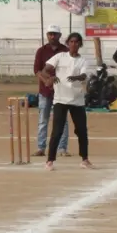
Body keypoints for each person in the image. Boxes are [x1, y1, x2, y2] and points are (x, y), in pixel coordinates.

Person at [41, 32, 93, 171]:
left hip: (77, 100)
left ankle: (85, 159)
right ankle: (50, 161)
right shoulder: (60, 56)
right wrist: (50, 78)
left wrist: (76, 77)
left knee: (81, 130)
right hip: (60, 99)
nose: (74, 44)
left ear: (80, 44)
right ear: (68, 43)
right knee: (57, 130)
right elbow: (45, 70)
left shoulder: (83, 61)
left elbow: (84, 75)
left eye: (76, 42)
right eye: (71, 41)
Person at [32, 25, 69, 158]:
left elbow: (68, 70)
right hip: (45, 91)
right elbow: (37, 70)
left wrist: (58, 82)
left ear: (59, 35)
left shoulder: (65, 51)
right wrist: (46, 81)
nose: (52, 36)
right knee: (43, 119)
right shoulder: (41, 51)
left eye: (55, 34)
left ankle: (62, 148)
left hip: (61, 91)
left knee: (62, 120)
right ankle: (41, 147)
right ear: (47, 35)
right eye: (50, 34)